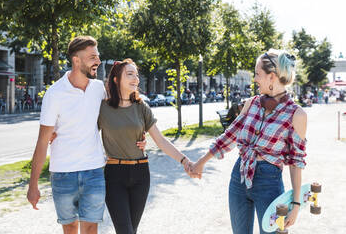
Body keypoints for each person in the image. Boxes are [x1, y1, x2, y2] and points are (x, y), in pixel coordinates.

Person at [27, 36, 146, 234]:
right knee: (70, 228)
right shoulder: (55, 93)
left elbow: (121, 111)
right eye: (92, 57)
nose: (98, 61)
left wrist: (140, 134)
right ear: (76, 60)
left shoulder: (99, 88)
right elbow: (41, 142)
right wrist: (33, 185)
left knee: (91, 227)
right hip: (63, 173)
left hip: (94, 171)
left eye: (97, 57)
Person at [191, 49, 307, 234]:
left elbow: (296, 162)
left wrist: (295, 203)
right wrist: (200, 163)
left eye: (257, 74)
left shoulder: (296, 114)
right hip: (239, 177)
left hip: (269, 183)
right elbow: (229, 136)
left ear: (271, 77)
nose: (254, 79)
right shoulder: (251, 103)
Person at [98, 59, 193, 234]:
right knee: (125, 231)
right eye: (129, 74)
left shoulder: (142, 108)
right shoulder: (103, 108)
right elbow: (86, 133)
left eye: (136, 75)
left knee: (131, 230)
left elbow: (161, 140)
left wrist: (184, 160)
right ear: (116, 79)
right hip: (114, 175)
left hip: (141, 174)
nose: (136, 79)